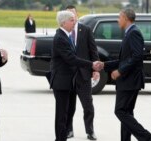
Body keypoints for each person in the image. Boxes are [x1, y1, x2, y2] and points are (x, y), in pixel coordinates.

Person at [95, 8, 151, 141]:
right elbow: (124, 59)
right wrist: (105, 65)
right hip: (129, 81)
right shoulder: (129, 33)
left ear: (126, 18)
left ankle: (147, 137)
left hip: (130, 80)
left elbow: (136, 57)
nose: (118, 20)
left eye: (119, 17)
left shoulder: (133, 33)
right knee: (126, 113)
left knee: (120, 111)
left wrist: (120, 71)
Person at [50, 10, 98, 141]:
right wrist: (91, 65)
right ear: (64, 22)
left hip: (70, 81)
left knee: (69, 111)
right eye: (72, 20)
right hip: (62, 82)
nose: (75, 22)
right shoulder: (60, 37)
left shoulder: (66, 35)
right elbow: (71, 59)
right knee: (62, 114)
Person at [65, 5, 99, 140]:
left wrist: (95, 69)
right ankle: (69, 130)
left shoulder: (86, 30)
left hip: (83, 75)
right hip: (68, 76)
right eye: (68, 15)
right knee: (69, 107)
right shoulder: (63, 32)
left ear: (77, 14)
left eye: (73, 14)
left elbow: (93, 50)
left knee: (88, 106)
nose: (71, 17)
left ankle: (90, 131)